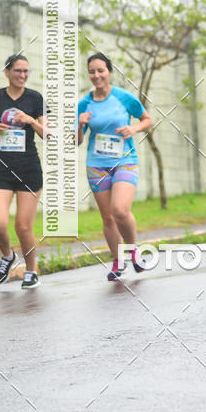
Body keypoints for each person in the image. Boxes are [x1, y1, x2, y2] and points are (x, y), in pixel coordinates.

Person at [77, 53, 153, 280]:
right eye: (92, 71)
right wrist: (80, 124)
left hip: (125, 161)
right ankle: (118, 261)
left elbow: (148, 120)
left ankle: (133, 250)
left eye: (101, 70)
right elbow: (76, 141)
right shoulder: (84, 103)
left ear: (109, 72)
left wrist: (134, 129)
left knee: (120, 210)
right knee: (108, 217)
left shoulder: (124, 97)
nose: (96, 75)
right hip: (97, 165)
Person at [0, 54, 46, 288]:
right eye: (18, 71)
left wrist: (31, 120)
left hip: (28, 169)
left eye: (26, 71)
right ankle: (8, 255)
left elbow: (46, 133)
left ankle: (31, 270)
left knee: (23, 226)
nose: (23, 76)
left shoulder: (35, 98)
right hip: (1, 169)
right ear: (7, 72)